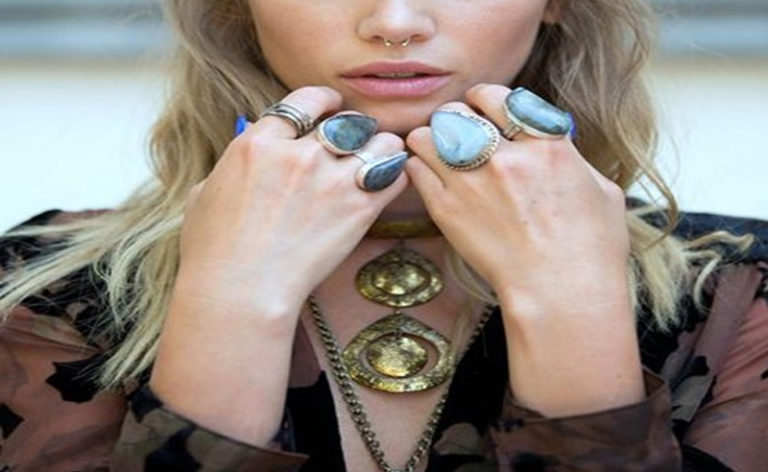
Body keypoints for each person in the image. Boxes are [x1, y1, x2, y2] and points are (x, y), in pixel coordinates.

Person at [1, 0, 766, 470]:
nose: (395, 22)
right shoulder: (44, 287)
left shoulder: (744, 296)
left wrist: (569, 305)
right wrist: (232, 302)